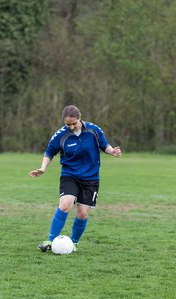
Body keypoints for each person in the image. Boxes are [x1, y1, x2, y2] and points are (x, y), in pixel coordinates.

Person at [29, 105, 122, 252]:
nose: (71, 127)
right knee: (65, 205)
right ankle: (50, 240)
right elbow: (49, 152)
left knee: (82, 213)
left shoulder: (93, 130)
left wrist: (113, 152)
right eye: (68, 124)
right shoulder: (60, 135)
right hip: (70, 175)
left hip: (91, 178)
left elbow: (105, 145)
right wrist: (43, 168)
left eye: (74, 123)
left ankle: (73, 243)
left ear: (80, 118)